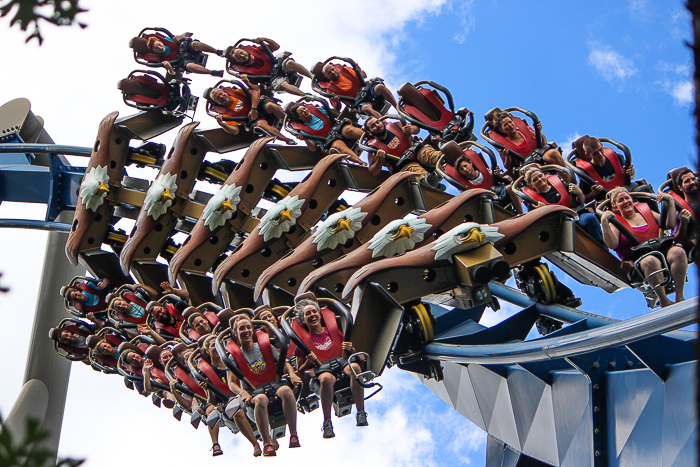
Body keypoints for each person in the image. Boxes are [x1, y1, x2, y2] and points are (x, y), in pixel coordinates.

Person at [293, 295, 368, 439]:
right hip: (322, 369)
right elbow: (299, 371)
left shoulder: (333, 332)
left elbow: (361, 358)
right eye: (307, 313)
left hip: (341, 362)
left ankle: (361, 412)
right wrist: (309, 362)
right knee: (326, 378)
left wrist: (351, 349)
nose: (312, 315)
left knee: (355, 368)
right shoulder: (302, 343)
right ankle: (327, 422)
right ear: (303, 320)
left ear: (320, 315)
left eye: (314, 311)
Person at [226, 316, 302, 456]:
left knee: (286, 390)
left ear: (253, 329)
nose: (246, 331)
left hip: (274, 385)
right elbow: (231, 382)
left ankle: (293, 434)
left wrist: (291, 373)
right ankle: (266, 443)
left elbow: (283, 362)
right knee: (261, 399)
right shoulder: (233, 356)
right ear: (236, 333)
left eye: (248, 327)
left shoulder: (264, 346)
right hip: (254, 393)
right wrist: (243, 393)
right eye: (241, 328)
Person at [600, 187, 686, 307]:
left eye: (627, 198)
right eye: (621, 200)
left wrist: (670, 201)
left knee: (678, 252)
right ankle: (664, 300)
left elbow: (668, 224)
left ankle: (680, 297)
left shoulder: (645, 211)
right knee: (651, 261)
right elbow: (612, 244)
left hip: (659, 250)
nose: (625, 201)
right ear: (615, 206)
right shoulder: (615, 223)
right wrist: (604, 221)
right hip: (638, 260)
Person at [201, 335, 262, 457]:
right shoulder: (207, 372)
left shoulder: (233, 361)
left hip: (244, 394)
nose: (217, 348)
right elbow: (212, 401)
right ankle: (255, 444)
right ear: (207, 351)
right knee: (235, 410)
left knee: (259, 399)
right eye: (213, 345)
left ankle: (266, 435)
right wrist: (208, 390)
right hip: (227, 404)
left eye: (219, 345)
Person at [523, 167, 605, 246]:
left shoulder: (560, 185)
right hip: (559, 227)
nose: (539, 179)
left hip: (576, 216)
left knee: (590, 218)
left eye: (540, 176)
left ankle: (602, 248)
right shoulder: (533, 203)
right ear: (531, 185)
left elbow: (580, 203)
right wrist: (541, 212)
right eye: (535, 180)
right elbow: (537, 226)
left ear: (544, 175)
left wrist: (579, 193)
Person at [204, 80, 296, 144]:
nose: (221, 97)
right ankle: (286, 139)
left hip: (258, 107)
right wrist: (222, 124)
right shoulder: (225, 114)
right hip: (251, 119)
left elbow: (255, 92)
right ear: (217, 102)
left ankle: (291, 121)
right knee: (261, 125)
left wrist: (254, 109)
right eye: (217, 98)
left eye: (220, 94)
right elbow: (235, 131)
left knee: (271, 105)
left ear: (225, 93)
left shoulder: (236, 92)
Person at [287, 98, 366, 165]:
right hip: (329, 139)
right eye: (301, 112)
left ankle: (370, 136)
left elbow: (334, 112)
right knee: (338, 146)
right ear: (299, 117)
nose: (305, 111)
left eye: (304, 109)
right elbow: (313, 148)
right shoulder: (304, 130)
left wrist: (344, 119)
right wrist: (305, 139)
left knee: (350, 129)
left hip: (337, 128)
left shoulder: (318, 110)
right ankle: (360, 162)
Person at [489, 109, 566, 176]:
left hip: (539, 153)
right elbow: (508, 167)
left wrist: (538, 131)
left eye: (510, 122)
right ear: (502, 130)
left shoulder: (525, 130)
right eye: (506, 125)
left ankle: (571, 183)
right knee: (535, 168)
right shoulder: (503, 144)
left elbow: (543, 142)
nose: (510, 125)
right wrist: (507, 156)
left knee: (554, 153)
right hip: (525, 163)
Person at [227, 37, 312, 96]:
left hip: (277, 65)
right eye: (239, 57)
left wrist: (264, 39)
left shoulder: (258, 49)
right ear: (238, 62)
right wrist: (246, 81)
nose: (242, 56)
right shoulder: (246, 72)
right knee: (283, 85)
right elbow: (256, 88)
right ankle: (303, 94)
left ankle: (311, 76)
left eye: (241, 53)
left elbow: (276, 46)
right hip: (272, 78)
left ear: (244, 50)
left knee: (289, 63)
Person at [578, 137, 652, 203]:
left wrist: (631, 173)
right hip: (609, 199)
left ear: (602, 146)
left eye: (600, 150)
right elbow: (585, 199)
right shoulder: (586, 173)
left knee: (645, 188)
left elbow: (630, 176)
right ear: (588, 155)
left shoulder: (617, 158)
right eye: (595, 153)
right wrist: (593, 193)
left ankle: (659, 215)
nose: (600, 154)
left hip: (627, 190)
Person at [364, 117, 442, 177]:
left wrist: (411, 129)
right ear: (369, 132)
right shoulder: (373, 149)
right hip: (404, 165)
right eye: (373, 126)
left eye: (377, 122)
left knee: (433, 155)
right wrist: (379, 160)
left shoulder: (396, 125)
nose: (377, 126)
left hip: (418, 151)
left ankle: (448, 160)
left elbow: (416, 129)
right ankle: (428, 182)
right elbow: (373, 171)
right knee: (418, 175)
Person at [320, 62, 398, 118]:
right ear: (327, 77)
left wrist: (359, 71)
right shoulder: (330, 90)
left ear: (335, 68)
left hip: (366, 90)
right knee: (366, 108)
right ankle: (383, 123)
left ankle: (398, 108)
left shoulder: (345, 70)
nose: (333, 72)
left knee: (380, 87)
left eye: (333, 69)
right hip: (357, 101)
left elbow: (364, 75)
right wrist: (337, 101)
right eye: (329, 73)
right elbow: (337, 108)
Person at [453, 152, 523, 214]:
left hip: (496, 189)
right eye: (462, 169)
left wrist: (498, 175)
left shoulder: (484, 171)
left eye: (465, 166)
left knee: (509, 188)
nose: (465, 169)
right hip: (488, 199)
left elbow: (498, 178)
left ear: (470, 163)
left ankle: (522, 214)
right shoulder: (465, 185)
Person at [130, 32, 224, 77]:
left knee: (195, 44)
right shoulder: (161, 60)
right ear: (154, 51)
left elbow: (187, 34)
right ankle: (213, 72)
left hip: (187, 49)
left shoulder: (168, 39)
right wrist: (169, 67)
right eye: (156, 48)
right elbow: (173, 73)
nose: (159, 48)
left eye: (158, 45)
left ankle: (218, 51)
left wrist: (181, 37)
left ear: (160, 42)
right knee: (189, 66)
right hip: (183, 61)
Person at [672, 169, 697, 250]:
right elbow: (677, 242)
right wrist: (684, 223)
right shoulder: (681, 212)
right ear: (680, 188)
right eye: (687, 181)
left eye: (693, 179)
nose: (692, 182)